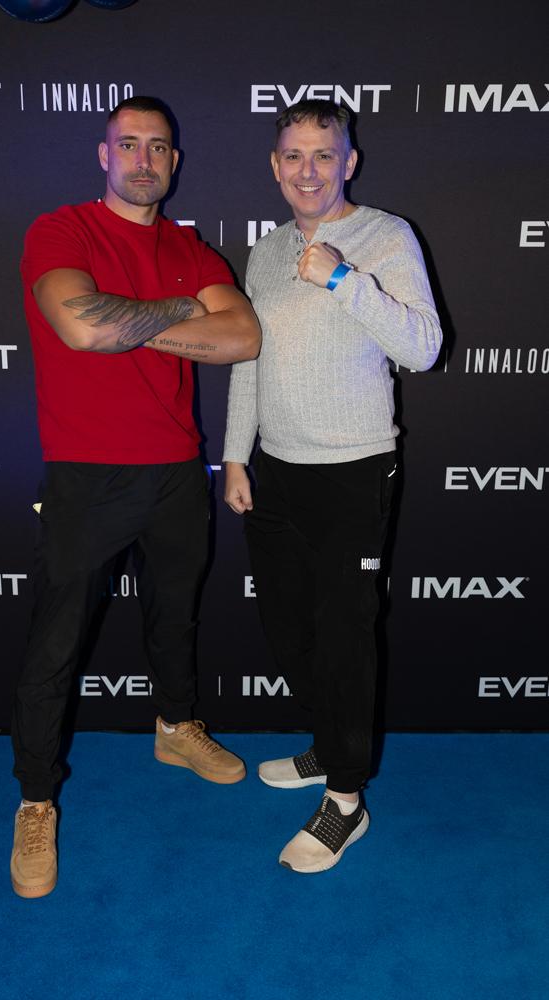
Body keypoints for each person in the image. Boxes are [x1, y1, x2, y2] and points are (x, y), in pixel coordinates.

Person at [10, 96, 261, 898]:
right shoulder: (63, 230)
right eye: (129, 144)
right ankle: (36, 800)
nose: (143, 159)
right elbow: (82, 327)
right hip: (87, 473)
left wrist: (135, 320)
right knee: (56, 645)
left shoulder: (192, 248)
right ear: (104, 154)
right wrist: (184, 312)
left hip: (177, 470)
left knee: (173, 616)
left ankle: (175, 727)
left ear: (174, 162)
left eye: (158, 147)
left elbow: (243, 337)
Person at [223, 98, 442, 874]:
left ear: (348, 161)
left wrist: (344, 278)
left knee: (345, 641)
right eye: (293, 155)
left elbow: (423, 347)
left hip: (353, 470)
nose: (307, 170)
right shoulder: (263, 252)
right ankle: (328, 744)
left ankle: (345, 801)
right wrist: (236, 456)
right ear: (274, 165)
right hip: (274, 471)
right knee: (289, 632)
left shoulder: (385, 236)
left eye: (323, 154)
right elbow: (248, 357)